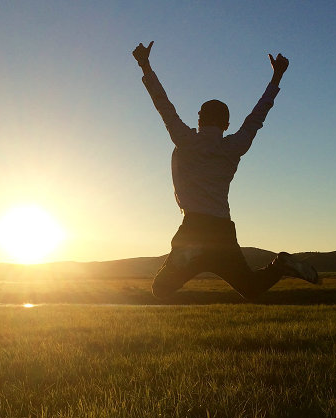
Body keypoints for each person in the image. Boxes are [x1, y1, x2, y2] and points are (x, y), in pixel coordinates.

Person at [132, 41, 319, 301]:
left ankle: (189, 254)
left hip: (194, 228)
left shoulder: (185, 139)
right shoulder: (234, 147)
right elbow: (257, 116)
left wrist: (145, 65)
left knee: (160, 289)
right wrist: (276, 77)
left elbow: (163, 104)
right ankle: (282, 265)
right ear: (227, 123)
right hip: (221, 231)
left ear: (199, 118)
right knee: (251, 288)